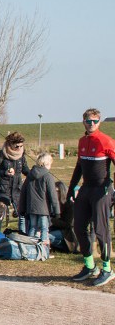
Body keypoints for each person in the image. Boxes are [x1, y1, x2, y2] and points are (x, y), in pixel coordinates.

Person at [68, 108, 115, 286]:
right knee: (78, 226)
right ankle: (90, 266)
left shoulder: (106, 140)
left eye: (95, 121)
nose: (92, 124)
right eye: (89, 121)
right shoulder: (82, 141)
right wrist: (71, 188)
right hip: (86, 189)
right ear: (84, 122)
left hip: (102, 189)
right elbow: (79, 167)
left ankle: (107, 269)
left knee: (101, 230)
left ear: (99, 122)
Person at [0, 131, 28, 230]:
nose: (19, 148)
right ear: (10, 144)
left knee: (22, 215)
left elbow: (25, 169)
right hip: (3, 188)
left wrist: (34, 173)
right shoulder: (1, 154)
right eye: (17, 146)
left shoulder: (22, 155)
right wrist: (5, 172)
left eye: (21, 146)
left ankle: (22, 234)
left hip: (17, 188)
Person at [19, 151, 60, 246]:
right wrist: (57, 211)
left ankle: (30, 246)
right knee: (44, 228)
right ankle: (43, 247)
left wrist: (22, 208)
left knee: (32, 227)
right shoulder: (48, 176)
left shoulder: (30, 175)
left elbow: (23, 193)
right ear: (47, 164)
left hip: (31, 207)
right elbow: (53, 195)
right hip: (43, 209)